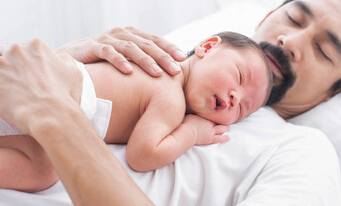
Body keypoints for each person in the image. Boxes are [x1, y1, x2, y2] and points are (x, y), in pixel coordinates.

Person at [0, 0, 341, 205]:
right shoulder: (165, 65)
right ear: (264, 18)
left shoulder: (304, 152)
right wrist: (64, 59)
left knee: (42, 164)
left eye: (325, 50)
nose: (291, 41)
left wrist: (57, 118)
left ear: (331, 92)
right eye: (294, 18)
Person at [0, 32, 272, 192]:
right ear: (208, 47)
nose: (236, 98)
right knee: (43, 170)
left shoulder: (151, 59)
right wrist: (192, 132)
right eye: (238, 76)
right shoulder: (171, 97)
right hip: (52, 90)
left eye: (241, 110)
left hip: (39, 90)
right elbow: (142, 155)